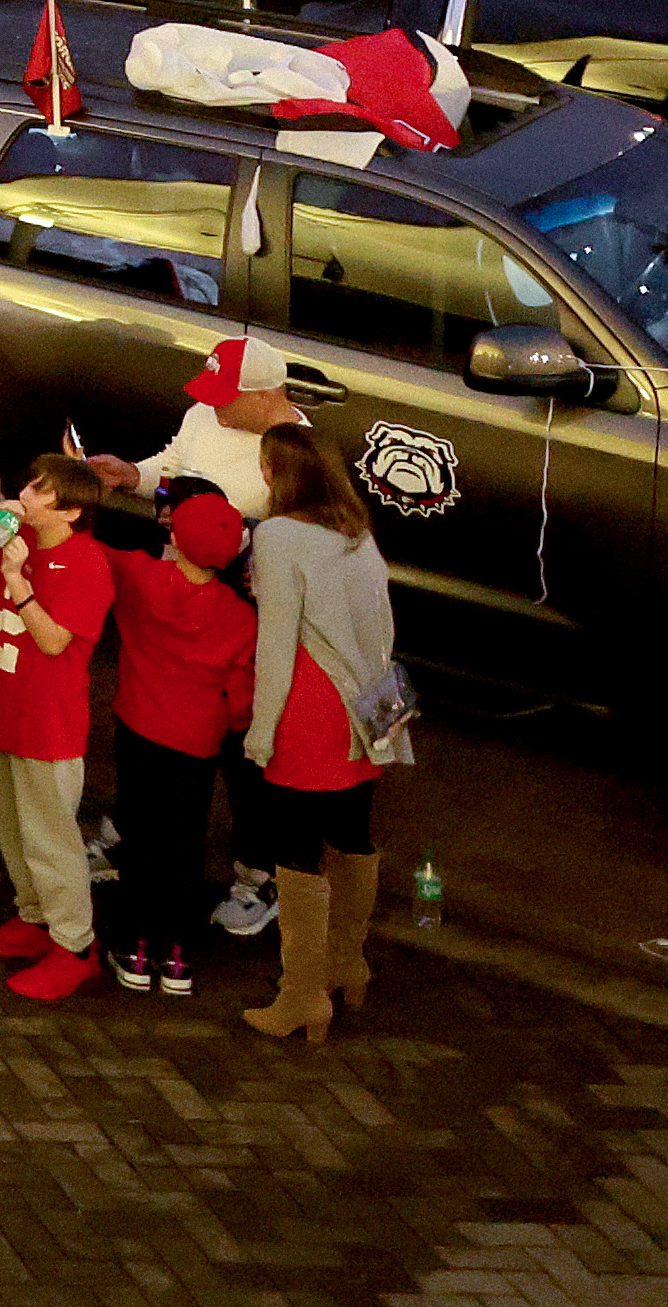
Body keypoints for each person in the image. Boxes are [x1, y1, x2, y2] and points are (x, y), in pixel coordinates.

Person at [238, 420, 403, 1044]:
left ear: (279, 473)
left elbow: (277, 645)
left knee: (295, 852)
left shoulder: (277, 535)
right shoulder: (356, 531)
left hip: (308, 708)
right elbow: (381, 625)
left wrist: (261, 732)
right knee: (352, 836)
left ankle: (301, 997)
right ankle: (346, 964)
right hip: (365, 708)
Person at [0, 449, 117, 1000]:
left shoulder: (88, 562)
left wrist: (17, 578)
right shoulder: (12, 542)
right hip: (2, 709)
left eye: (40, 490)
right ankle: (33, 919)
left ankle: (74, 946)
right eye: (29, 483)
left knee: (52, 840)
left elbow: (53, 641)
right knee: (9, 824)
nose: (24, 494)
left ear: (70, 511)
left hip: (48, 726)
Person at [106, 488, 257, 1000]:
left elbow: (92, 550)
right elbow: (241, 701)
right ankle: (177, 954)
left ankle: (134, 947)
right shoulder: (240, 617)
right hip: (196, 745)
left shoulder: (140, 575)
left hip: (138, 728)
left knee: (140, 838)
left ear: (172, 534)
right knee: (184, 845)